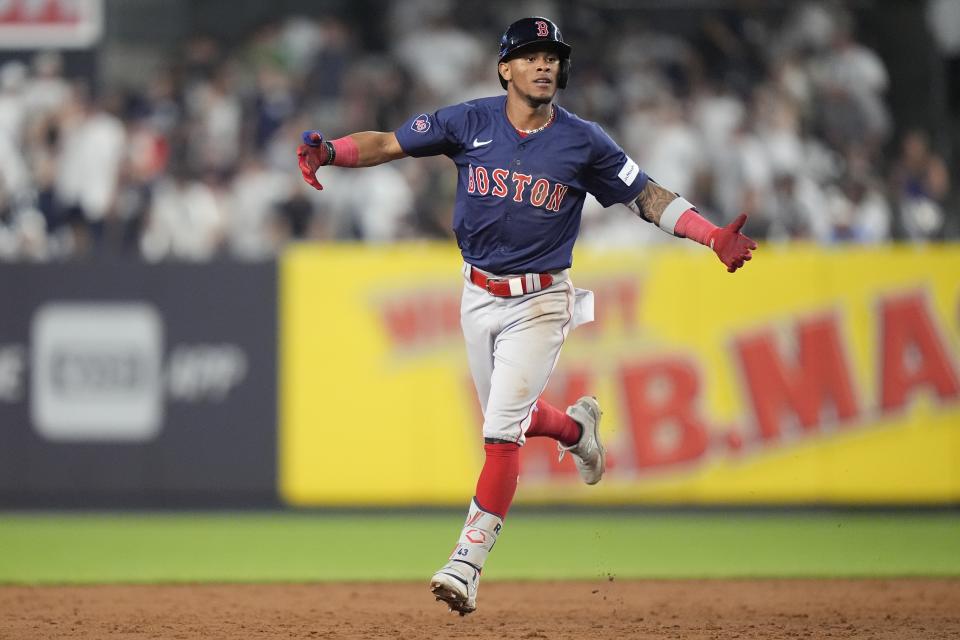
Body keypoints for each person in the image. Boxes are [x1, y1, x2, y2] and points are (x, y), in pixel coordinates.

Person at [296, 17, 756, 615]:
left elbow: (646, 195)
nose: (544, 65)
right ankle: (575, 430)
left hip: (541, 300)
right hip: (478, 293)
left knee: (498, 433)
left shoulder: (583, 140)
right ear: (505, 67)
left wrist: (710, 233)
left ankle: (467, 562)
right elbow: (388, 142)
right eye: (531, 55)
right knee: (504, 416)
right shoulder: (468, 121)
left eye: (552, 56)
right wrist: (331, 151)